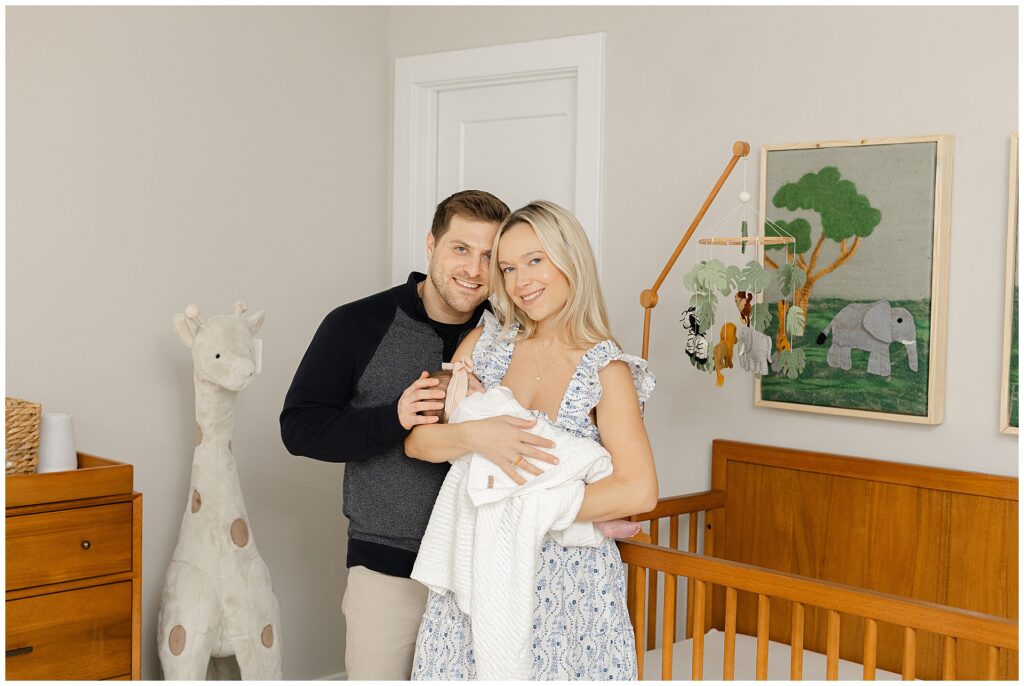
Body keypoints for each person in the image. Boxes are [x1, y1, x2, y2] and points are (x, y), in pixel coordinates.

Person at [280, 190, 561, 680]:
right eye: (460, 249)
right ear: (430, 244)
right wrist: (394, 418)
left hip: (489, 572)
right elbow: (299, 428)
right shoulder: (356, 325)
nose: (474, 270)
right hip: (391, 567)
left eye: (490, 256)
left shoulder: (508, 335)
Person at [404, 200, 659, 680]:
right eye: (508, 268)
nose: (521, 282)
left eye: (535, 261)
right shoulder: (486, 343)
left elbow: (638, 489)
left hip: (571, 587)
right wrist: (479, 434)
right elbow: (420, 443)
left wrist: (526, 506)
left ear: (570, 260)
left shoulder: (608, 370)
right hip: (480, 573)